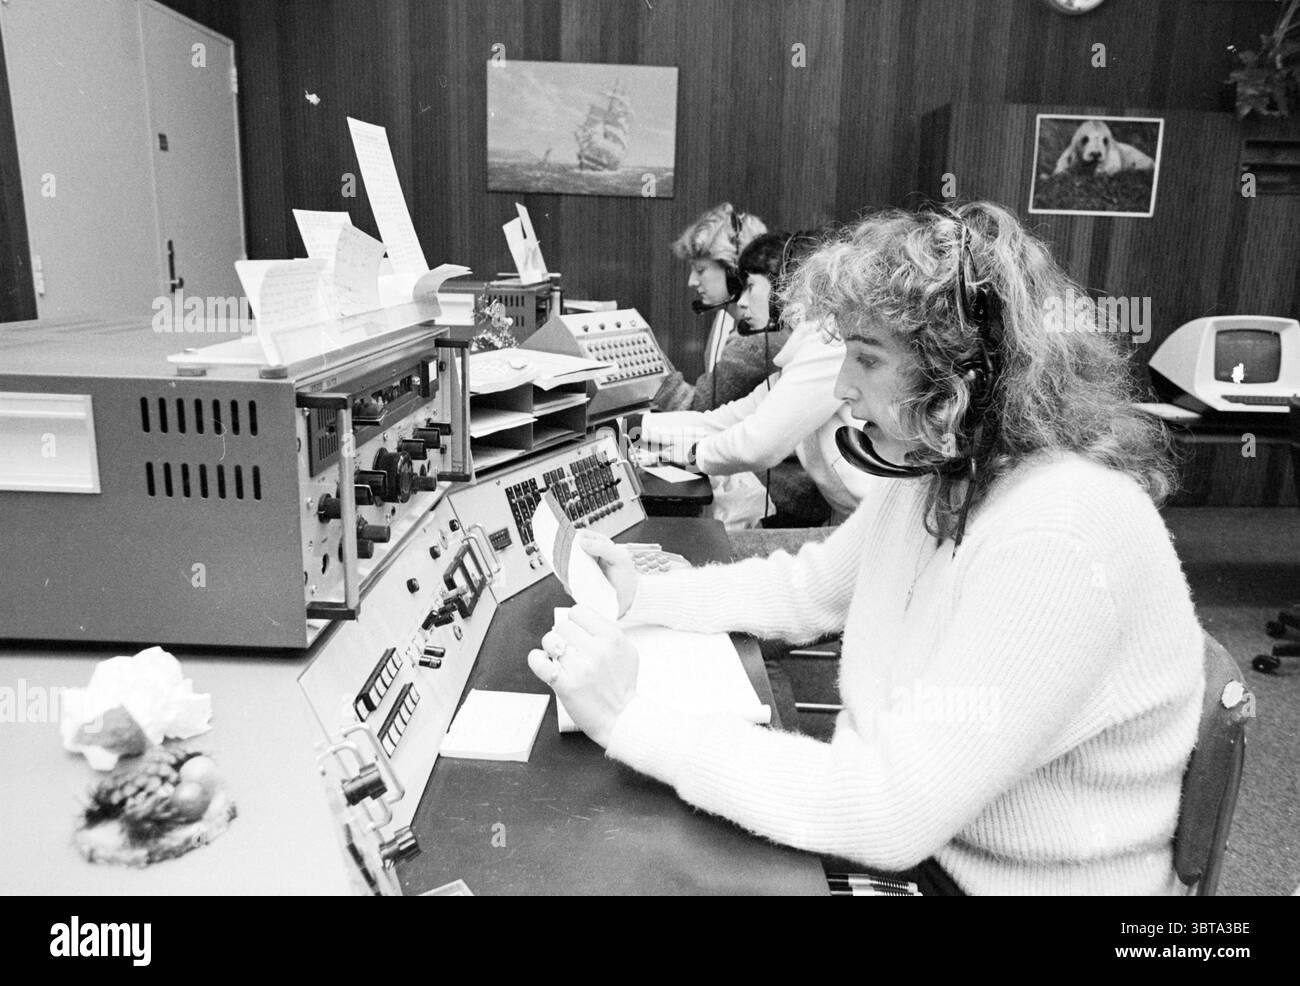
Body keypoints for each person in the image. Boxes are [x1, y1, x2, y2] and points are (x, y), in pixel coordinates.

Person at [529, 201, 1207, 895]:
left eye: (868, 357)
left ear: (960, 381)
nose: (842, 387)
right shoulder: (943, 472)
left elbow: (887, 811)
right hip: (938, 851)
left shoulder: (1061, 534)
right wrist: (643, 595)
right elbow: (808, 589)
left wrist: (630, 719)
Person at [640, 230, 872, 525]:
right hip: (855, 521)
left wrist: (684, 453)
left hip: (875, 524)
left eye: (750, 288)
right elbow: (724, 420)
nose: (743, 301)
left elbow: (758, 446)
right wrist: (631, 428)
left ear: (782, 288)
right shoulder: (805, 351)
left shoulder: (829, 341)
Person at [651, 203, 781, 413]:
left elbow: (697, 408)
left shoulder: (754, 342)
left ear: (735, 272)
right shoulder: (737, 324)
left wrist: (651, 366)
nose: (691, 282)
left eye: (700, 270)